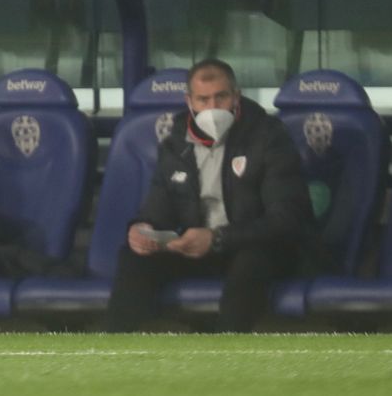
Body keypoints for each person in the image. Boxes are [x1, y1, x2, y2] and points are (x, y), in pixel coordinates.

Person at [106, 58, 314, 332]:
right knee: (134, 258)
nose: (213, 108)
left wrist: (217, 238)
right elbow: (157, 209)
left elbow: (286, 219)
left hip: (261, 248)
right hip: (200, 249)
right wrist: (143, 229)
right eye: (203, 100)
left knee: (251, 260)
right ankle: (121, 354)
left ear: (236, 97)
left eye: (221, 97)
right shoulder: (176, 145)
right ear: (190, 102)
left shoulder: (268, 137)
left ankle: (225, 356)